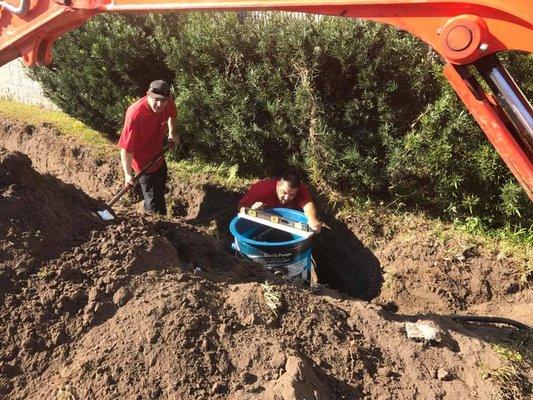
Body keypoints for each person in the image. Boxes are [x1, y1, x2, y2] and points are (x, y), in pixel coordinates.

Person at [118, 80, 178, 215]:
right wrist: (128, 175)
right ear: (148, 95)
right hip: (143, 162)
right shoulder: (135, 114)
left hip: (158, 157)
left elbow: (172, 115)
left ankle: (151, 213)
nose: (159, 104)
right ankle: (157, 227)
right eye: (156, 100)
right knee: (154, 204)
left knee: (159, 191)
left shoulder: (168, 103)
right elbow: (126, 149)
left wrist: (172, 133)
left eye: (163, 101)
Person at [238, 168, 322, 232]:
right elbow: (240, 208)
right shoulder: (261, 191)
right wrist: (252, 209)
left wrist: (312, 219)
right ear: (278, 185)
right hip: (263, 223)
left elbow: (308, 205)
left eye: (292, 195)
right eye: (284, 192)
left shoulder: (300, 189)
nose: (287, 198)